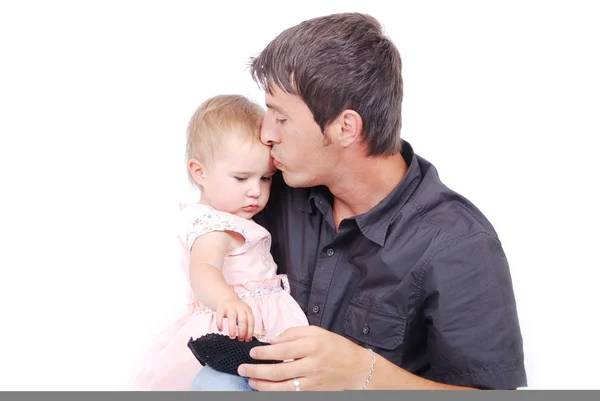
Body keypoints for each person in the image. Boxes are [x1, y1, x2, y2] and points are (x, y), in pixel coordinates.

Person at [190, 12, 527, 391]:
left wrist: (364, 374)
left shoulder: (458, 245)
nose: (265, 133)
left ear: (345, 128)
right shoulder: (268, 190)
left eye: (280, 117)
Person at [132, 94, 309, 391]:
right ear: (199, 172)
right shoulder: (213, 225)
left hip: (259, 323)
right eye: (241, 178)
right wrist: (226, 300)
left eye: (265, 178)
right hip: (233, 329)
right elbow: (203, 269)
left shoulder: (236, 219)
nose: (256, 191)